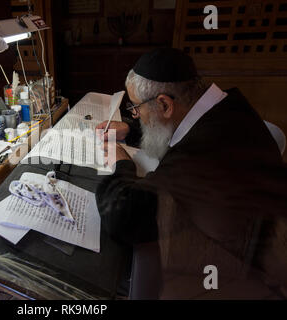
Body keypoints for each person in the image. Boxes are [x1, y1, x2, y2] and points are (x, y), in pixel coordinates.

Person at [95, 48, 287, 295]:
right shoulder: (227, 106)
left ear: (164, 104)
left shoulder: (200, 157)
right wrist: (133, 131)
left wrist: (121, 163)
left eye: (136, 108)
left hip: (244, 277)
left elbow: (121, 216)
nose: (136, 115)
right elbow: (174, 130)